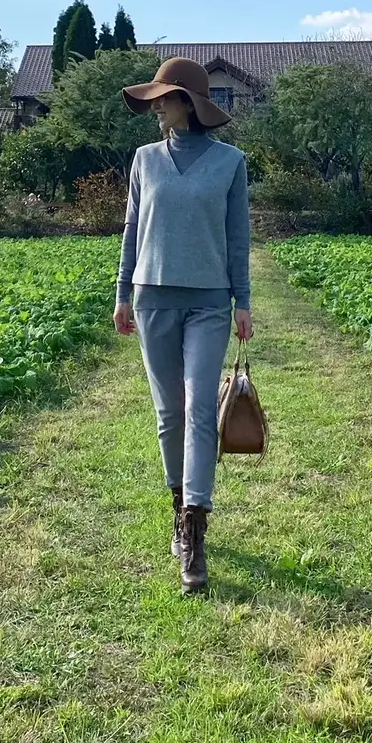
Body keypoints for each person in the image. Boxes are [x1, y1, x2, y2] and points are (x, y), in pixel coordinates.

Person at [114, 56, 252, 594]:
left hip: (210, 302)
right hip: (152, 298)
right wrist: (122, 292)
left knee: (199, 408)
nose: (156, 108)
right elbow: (131, 229)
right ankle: (178, 503)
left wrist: (243, 300)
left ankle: (195, 527)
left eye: (164, 99)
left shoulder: (230, 163)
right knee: (169, 413)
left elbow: (238, 237)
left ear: (187, 104)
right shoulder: (144, 161)